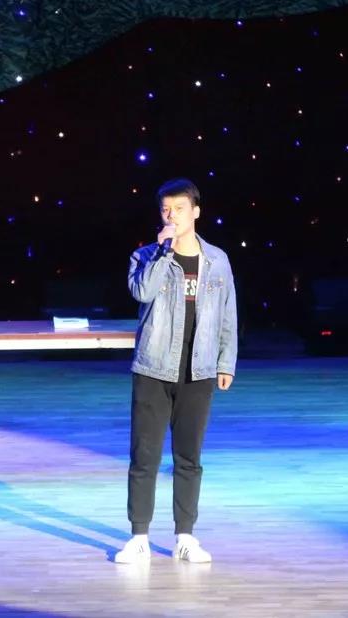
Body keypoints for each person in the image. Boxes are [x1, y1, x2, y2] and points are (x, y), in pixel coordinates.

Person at [114, 178, 238, 564]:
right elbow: (142, 292)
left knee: (189, 457)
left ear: (196, 212)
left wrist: (226, 362)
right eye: (166, 210)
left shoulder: (217, 260)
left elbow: (228, 313)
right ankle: (139, 538)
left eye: (179, 209)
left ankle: (185, 537)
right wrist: (163, 252)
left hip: (198, 370)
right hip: (153, 368)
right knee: (144, 456)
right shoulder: (145, 256)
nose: (172, 216)